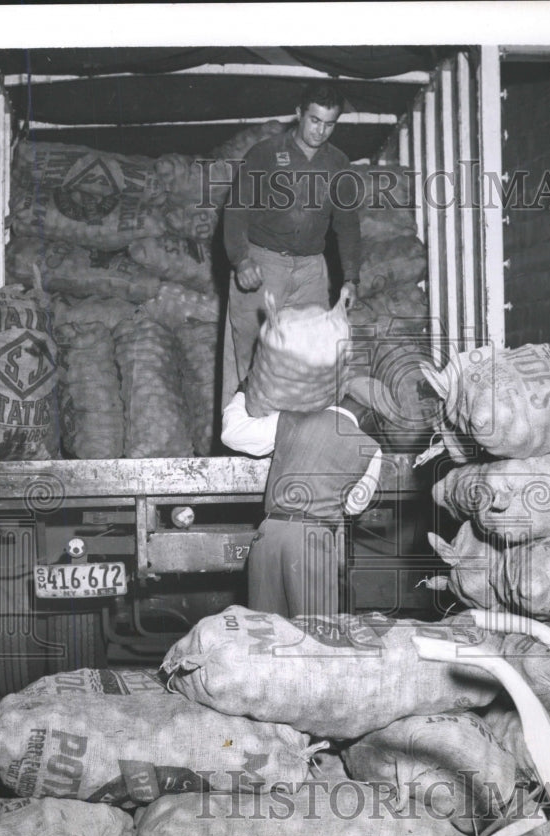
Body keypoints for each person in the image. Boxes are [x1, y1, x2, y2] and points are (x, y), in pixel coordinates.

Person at [221, 82, 361, 407]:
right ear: (299, 114)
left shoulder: (338, 163)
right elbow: (236, 209)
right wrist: (241, 260)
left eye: (329, 124)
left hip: (312, 269)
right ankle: (246, 435)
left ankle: (301, 437)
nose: (321, 131)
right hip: (263, 263)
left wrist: (352, 277)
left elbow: (347, 225)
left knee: (309, 356)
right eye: (314, 120)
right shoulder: (265, 153)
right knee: (249, 352)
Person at [221, 387, 382, 620]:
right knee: (315, 633)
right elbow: (353, 507)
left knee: (263, 632)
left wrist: (241, 395)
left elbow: (232, 433)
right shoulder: (371, 448)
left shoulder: (289, 419)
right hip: (313, 540)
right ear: (367, 415)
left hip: (269, 534)